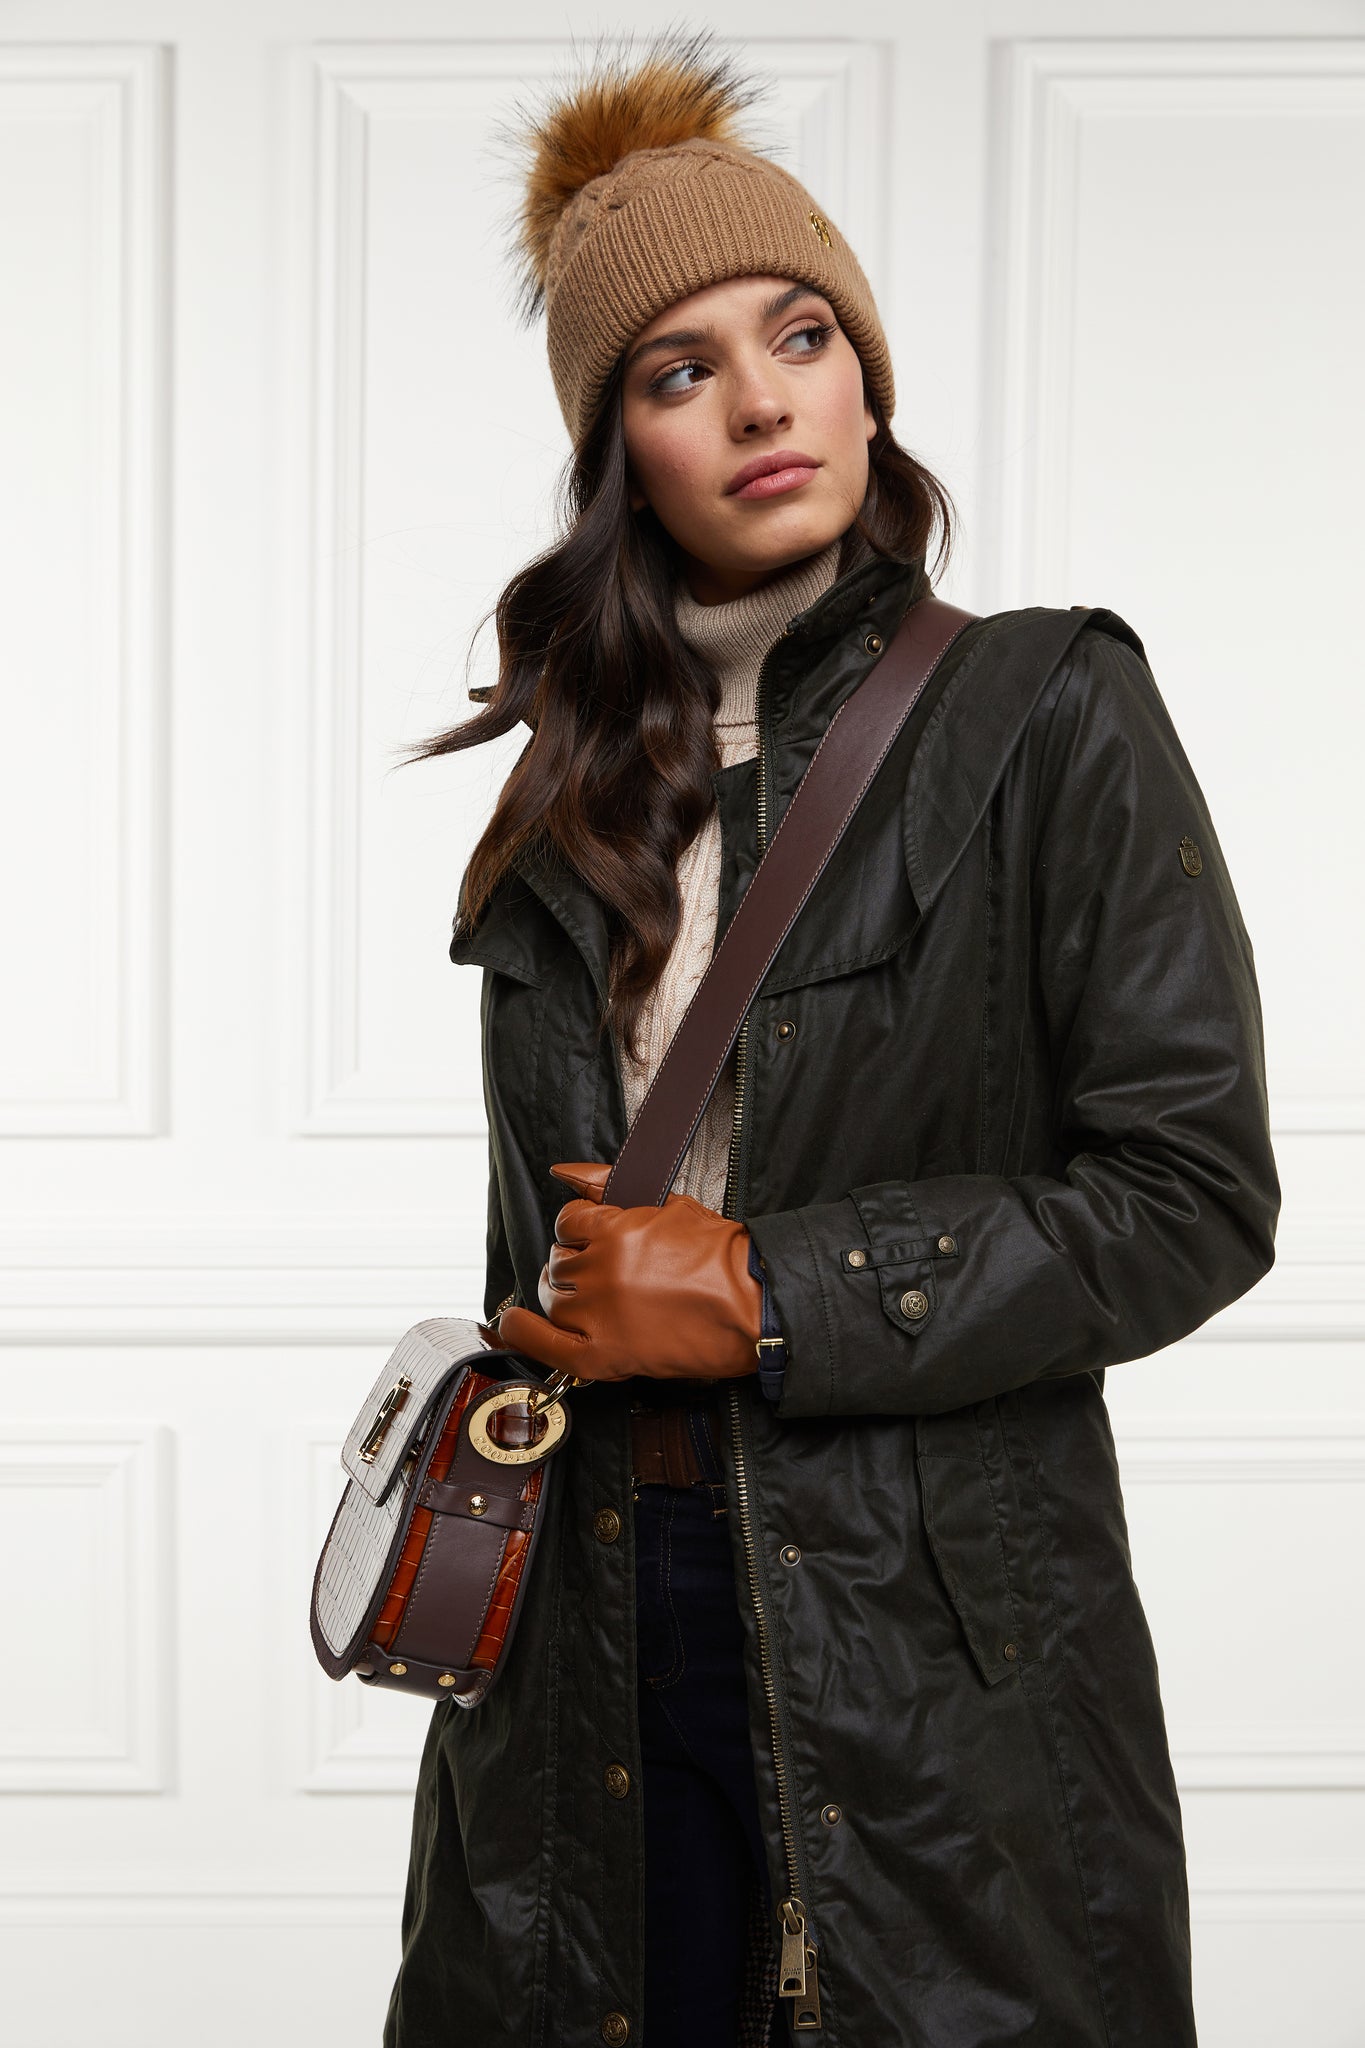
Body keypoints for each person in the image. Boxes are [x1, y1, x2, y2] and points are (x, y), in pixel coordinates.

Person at [384, 29, 1279, 2048]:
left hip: (923, 1649)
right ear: (619, 449)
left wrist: (765, 1294)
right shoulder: (563, 792)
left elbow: (1188, 1196)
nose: (760, 399)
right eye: (675, 369)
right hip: (584, 1634)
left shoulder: (1044, 709)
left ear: (866, 376)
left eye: (799, 335)